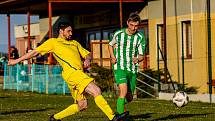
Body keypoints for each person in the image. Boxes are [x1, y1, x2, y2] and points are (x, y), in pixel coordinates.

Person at [8, 22, 127, 121]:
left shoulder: (74, 43)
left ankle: (55, 118)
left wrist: (87, 59)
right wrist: (16, 61)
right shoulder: (53, 42)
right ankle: (113, 117)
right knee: (96, 90)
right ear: (61, 31)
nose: (71, 33)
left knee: (82, 105)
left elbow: (88, 54)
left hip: (77, 74)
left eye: (71, 31)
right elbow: (34, 53)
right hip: (72, 73)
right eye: (68, 31)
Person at [108, 12, 146, 119]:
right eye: (131, 25)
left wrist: (137, 58)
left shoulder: (140, 37)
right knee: (123, 91)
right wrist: (112, 57)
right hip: (119, 66)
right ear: (127, 23)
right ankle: (121, 117)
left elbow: (142, 56)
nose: (134, 28)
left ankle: (120, 106)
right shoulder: (119, 34)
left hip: (132, 69)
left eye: (136, 26)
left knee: (129, 98)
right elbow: (110, 45)